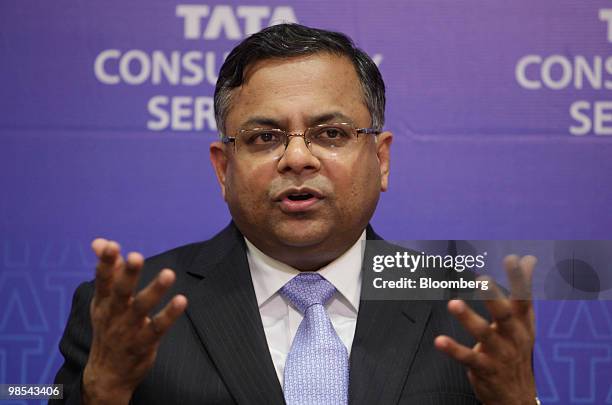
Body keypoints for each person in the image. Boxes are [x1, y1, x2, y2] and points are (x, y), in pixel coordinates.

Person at [52, 23, 539, 405]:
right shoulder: (128, 313)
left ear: (381, 159)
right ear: (223, 169)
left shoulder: (468, 311)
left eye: (331, 134)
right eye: (265, 138)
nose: (298, 159)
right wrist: (101, 396)